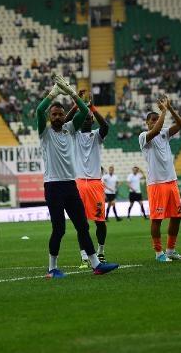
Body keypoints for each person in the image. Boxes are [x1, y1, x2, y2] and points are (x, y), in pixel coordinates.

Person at [37, 74, 119, 278]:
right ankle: (52, 268)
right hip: (53, 186)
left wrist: (72, 93)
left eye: (59, 114)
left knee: (82, 225)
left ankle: (96, 265)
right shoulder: (45, 134)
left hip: (70, 185)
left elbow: (84, 110)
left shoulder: (70, 129)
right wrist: (53, 94)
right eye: (53, 114)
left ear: (65, 117)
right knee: (59, 229)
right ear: (50, 117)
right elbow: (39, 110)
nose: (56, 117)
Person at [64, 90, 109, 268]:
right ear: (81, 119)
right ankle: (84, 256)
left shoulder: (97, 135)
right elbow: (67, 122)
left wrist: (92, 107)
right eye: (86, 117)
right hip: (79, 183)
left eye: (91, 117)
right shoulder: (73, 135)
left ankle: (101, 251)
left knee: (100, 222)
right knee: (81, 222)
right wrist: (77, 106)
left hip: (96, 183)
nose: (89, 119)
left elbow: (105, 126)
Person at [139, 96, 181, 262]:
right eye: (152, 120)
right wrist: (164, 112)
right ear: (147, 123)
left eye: (156, 119)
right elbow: (156, 129)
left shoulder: (165, 134)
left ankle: (171, 249)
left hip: (171, 181)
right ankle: (159, 253)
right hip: (156, 184)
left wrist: (170, 108)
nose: (155, 121)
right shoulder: (144, 136)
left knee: (177, 216)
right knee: (157, 219)